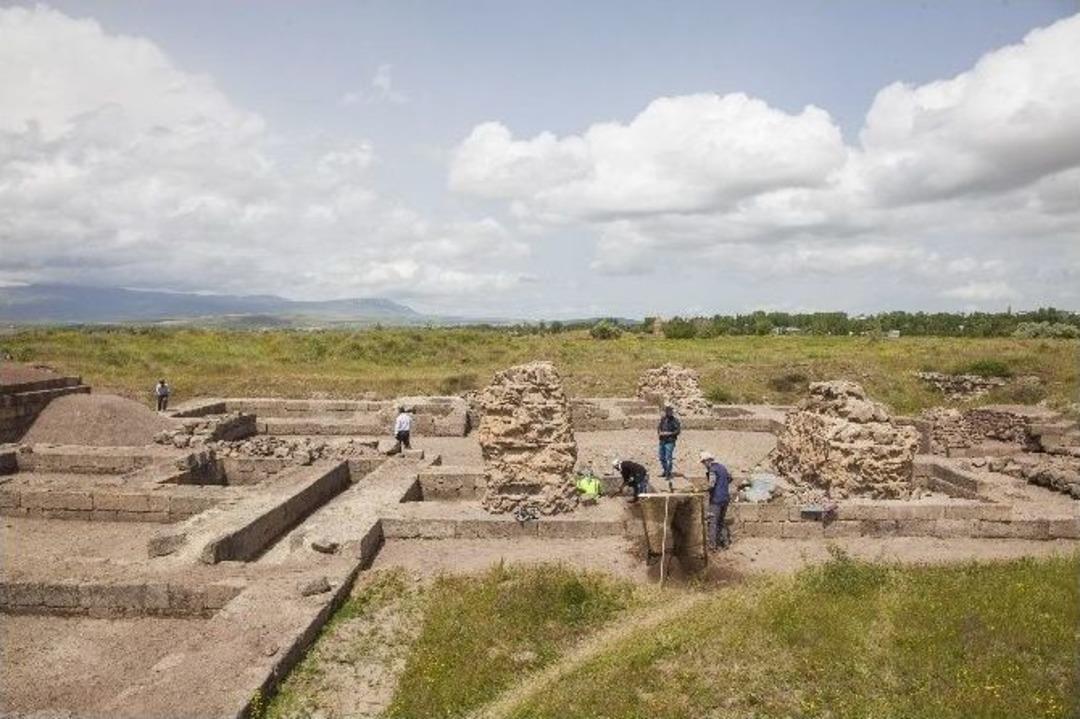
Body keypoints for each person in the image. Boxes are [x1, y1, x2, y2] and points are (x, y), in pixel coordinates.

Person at [700, 451, 732, 550]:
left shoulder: (712, 470)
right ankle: (725, 543)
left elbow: (711, 484)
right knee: (721, 521)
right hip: (725, 498)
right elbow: (730, 478)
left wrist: (701, 489)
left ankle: (712, 546)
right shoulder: (723, 467)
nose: (703, 464)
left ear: (708, 461)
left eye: (703, 462)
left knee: (712, 522)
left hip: (716, 500)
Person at [657, 403, 681, 483]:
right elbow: (659, 427)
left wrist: (668, 433)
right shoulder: (663, 419)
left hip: (670, 441)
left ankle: (668, 473)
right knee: (661, 457)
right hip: (662, 441)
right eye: (667, 411)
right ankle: (665, 470)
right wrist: (660, 432)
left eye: (670, 411)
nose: (668, 412)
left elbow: (678, 431)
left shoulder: (675, 421)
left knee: (668, 458)